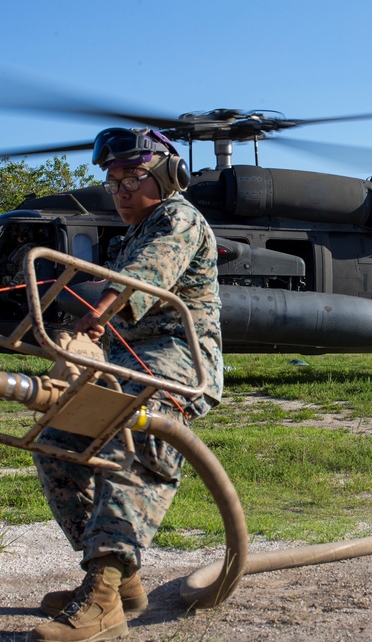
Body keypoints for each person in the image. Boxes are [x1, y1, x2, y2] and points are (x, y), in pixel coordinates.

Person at [29, 127, 223, 642]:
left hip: (176, 362)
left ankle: (103, 597)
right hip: (125, 362)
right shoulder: (128, 235)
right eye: (112, 182)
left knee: (133, 442)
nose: (120, 191)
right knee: (56, 443)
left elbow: (146, 276)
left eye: (133, 178)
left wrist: (98, 313)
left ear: (166, 176)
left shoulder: (178, 218)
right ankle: (116, 583)